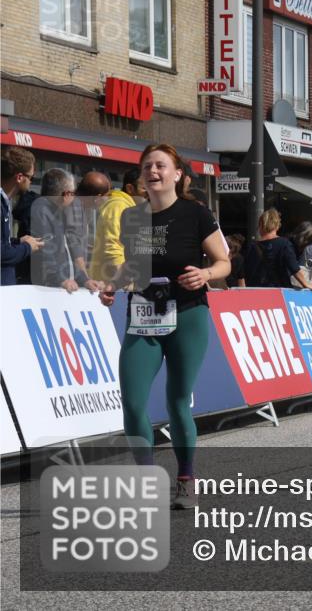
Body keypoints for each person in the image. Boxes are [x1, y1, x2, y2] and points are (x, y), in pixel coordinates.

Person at [99, 144, 231, 509]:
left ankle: (186, 478)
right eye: (146, 167)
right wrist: (112, 284)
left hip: (188, 314)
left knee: (176, 400)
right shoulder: (133, 217)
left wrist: (205, 273)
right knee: (133, 401)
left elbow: (223, 263)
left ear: (177, 174)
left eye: (160, 165)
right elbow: (136, 266)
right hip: (143, 314)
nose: (152, 171)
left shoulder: (196, 214)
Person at [31, 169, 101, 293]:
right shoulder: (41, 209)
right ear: (66, 194)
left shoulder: (58, 212)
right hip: (47, 290)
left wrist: (84, 280)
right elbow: (44, 252)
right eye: (73, 193)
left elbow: (68, 252)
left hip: (62, 286)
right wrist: (60, 280)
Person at [89, 168, 146, 282]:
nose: (149, 192)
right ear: (130, 188)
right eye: (145, 188)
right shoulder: (119, 206)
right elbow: (113, 247)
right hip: (112, 288)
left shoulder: (132, 209)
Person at [243, 208, 312, 292]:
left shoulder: (252, 246)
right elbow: (294, 268)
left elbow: (245, 272)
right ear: (277, 225)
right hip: (278, 291)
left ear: (261, 225)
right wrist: (306, 284)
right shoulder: (284, 244)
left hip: (256, 291)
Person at [1, 146, 44, 285]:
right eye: (31, 177)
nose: (31, 182)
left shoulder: (5, 201)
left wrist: (17, 242)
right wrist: (27, 248)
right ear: (19, 177)